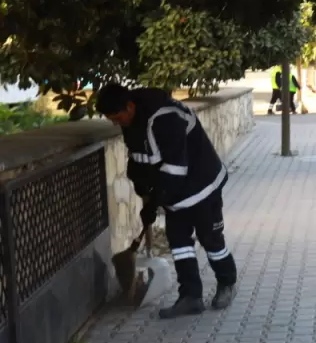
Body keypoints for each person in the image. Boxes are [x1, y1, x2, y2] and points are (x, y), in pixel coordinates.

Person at [97, 84, 237, 319]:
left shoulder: (166, 117)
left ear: (129, 107)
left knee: (210, 239)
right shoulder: (131, 123)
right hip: (175, 192)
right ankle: (190, 297)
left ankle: (227, 283)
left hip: (203, 185)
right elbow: (138, 161)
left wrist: (155, 202)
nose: (116, 123)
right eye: (112, 119)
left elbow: (175, 167)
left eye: (117, 117)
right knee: (179, 243)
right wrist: (144, 192)